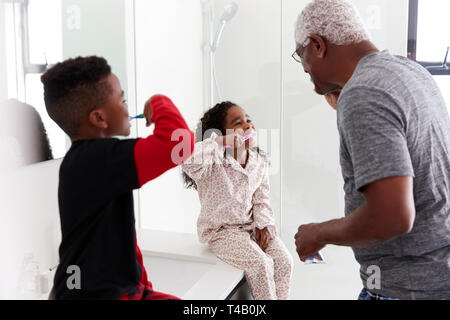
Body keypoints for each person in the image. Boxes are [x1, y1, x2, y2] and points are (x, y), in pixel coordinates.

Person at [292, 0, 450, 300]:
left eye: (301, 55)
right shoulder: (411, 72)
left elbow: (393, 216)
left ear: (317, 45)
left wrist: (318, 233)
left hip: (405, 290)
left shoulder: (363, 92)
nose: (306, 71)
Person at [41, 56, 194, 299]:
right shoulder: (97, 160)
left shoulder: (90, 161)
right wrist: (158, 102)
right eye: (122, 99)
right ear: (99, 118)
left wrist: (143, 289)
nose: (127, 106)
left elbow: (124, 248)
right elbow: (180, 143)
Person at [182, 101, 293, 300]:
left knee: (284, 261)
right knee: (261, 264)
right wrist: (220, 142)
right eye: (238, 123)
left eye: (248, 120)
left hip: (252, 228)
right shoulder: (211, 162)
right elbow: (188, 159)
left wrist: (264, 224)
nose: (247, 125)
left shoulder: (258, 163)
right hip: (222, 232)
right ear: (223, 133)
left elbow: (262, 199)